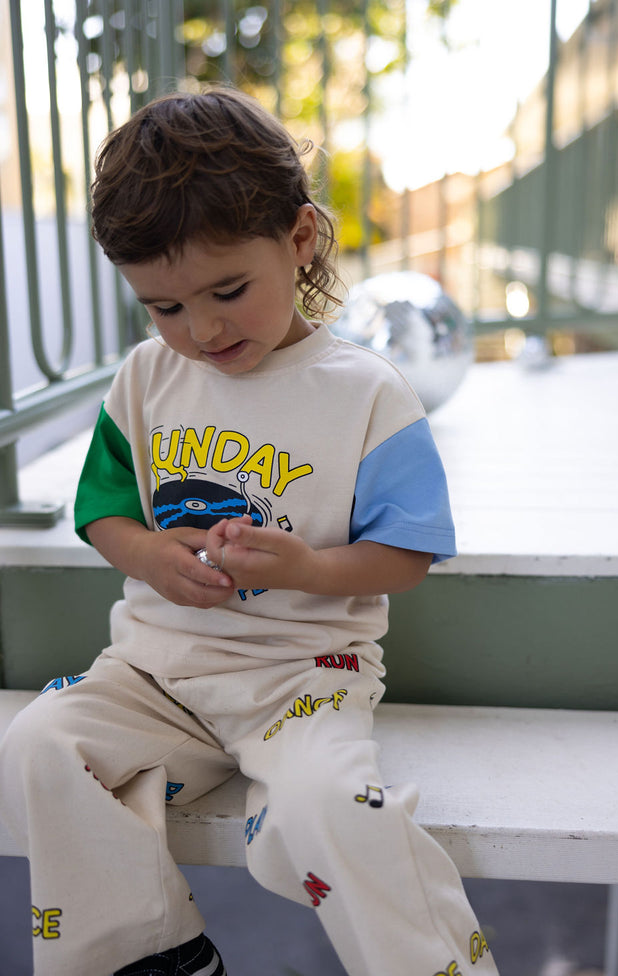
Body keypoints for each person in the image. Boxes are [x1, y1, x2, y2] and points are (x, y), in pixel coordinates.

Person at [0, 87, 498, 976]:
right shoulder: (147, 380)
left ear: (300, 239)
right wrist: (149, 553)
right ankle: (150, 955)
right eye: (164, 307)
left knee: (330, 808)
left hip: (299, 678)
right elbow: (104, 512)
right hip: (154, 675)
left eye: (227, 290)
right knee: (38, 745)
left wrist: (307, 564)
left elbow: (407, 554)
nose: (202, 329)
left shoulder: (367, 393)